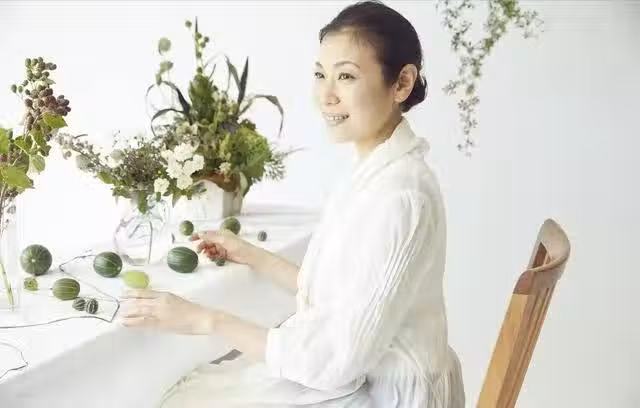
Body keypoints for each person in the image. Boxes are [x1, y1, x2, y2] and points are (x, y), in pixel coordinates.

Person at [120, 1, 465, 406]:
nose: (326, 95)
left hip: (387, 396)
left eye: (346, 76)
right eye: (320, 75)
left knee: (187, 395)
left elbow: (338, 360)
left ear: (402, 83)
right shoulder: (377, 170)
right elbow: (341, 297)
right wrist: (253, 256)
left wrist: (202, 319)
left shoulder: (400, 197)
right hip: (365, 381)